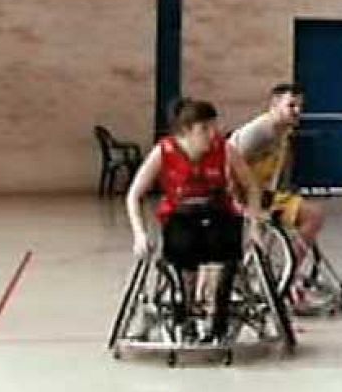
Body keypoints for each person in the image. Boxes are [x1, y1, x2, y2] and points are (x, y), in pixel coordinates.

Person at [125, 99, 262, 343]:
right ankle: (185, 314)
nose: (213, 135)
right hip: (181, 216)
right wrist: (139, 234)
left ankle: (218, 318)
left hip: (218, 212)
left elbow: (251, 187)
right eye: (205, 130)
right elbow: (134, 195)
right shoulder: (164, 151)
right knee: (183, 254)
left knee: (226, 257)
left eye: (214, 128)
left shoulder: (225, 149)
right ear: (186, 131)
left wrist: (255, 225)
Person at [230, 84, 323, 293]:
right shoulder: (260, 131)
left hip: (265, 195)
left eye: (300, 106)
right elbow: (228, 163)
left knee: (313, 215)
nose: (297, 111)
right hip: (243, 196)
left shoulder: (284, 132)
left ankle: (288, 276)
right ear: (274, 105)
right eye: (291, 106)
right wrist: (239, 203)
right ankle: (276, 280)